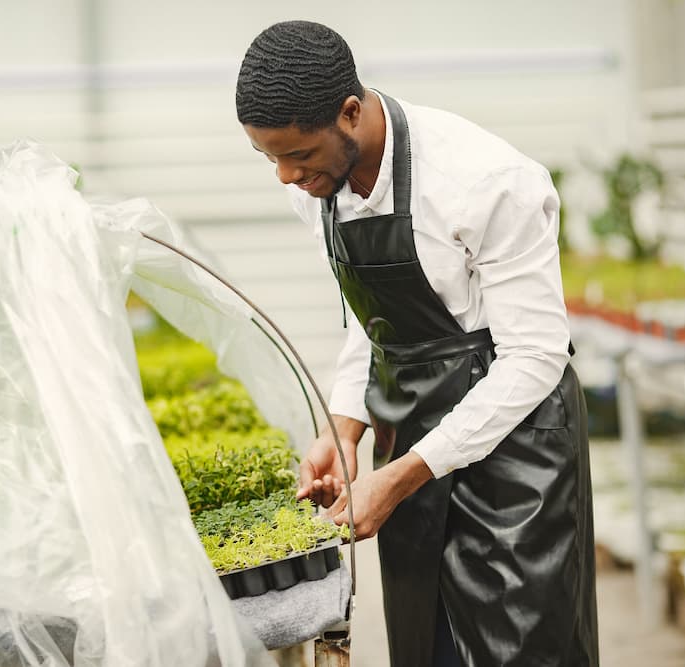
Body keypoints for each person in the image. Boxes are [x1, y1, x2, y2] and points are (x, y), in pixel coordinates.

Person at [235, 20, 599, 667]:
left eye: (299, 154)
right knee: (424, 642)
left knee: (522, 647)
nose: (287, 176)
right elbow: (368, 325)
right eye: (270, 158)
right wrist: (343, 429)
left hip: (517, 453)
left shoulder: (484, 181)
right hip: (408, 439)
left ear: (350, 113)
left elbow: (536, 354)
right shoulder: (318, 189)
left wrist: (402, 475)